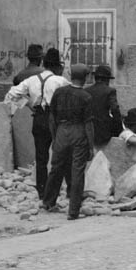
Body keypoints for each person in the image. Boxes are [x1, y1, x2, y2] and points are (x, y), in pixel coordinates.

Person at [4, 48, 69, 199]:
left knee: (41, 158)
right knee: (60, 156)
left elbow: (10, 95)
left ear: (45, 64)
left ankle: (42, 191)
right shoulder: (61, 81)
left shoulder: (30, 81)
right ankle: (56, 191)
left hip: (38, 119)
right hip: (56, 120)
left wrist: (28, 104)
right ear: (57, 67)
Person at [42, 64, 94, 220]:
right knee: (77, 170)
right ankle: (73, 211)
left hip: (61, 131)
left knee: (56, 167)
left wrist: (54, 136)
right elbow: (89, 124)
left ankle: (48, 202)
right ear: (84, 78)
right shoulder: (86, 97)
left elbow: (52, 118)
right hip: (78, 132)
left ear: (71, 76)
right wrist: (90, 146)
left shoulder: (59, 92)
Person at [86, 64, 122, 150]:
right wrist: (119, 127)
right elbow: (114, 109)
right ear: (106, 79)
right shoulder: (110, 91)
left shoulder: (86, 90)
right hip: (104, 130)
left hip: (89, 129)